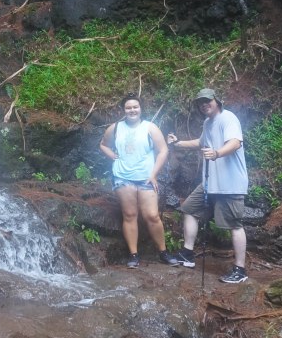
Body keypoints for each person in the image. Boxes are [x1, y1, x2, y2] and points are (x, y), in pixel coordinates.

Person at [166, 87, 250, 283]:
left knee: (234, 225)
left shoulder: (228, 118)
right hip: (210, 182)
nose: (204, 104)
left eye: (207, 100)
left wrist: (217, 153)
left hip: (229, 184)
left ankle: (240, 270)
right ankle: (187, 253)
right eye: (200, 102)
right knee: (189, 209)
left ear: (216, 101)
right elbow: (200, 142)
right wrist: (177, 143)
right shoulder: (208, 123)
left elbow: (236, 142)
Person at [99, 93, 181, 268]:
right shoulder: (115, 128)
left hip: (145, 177)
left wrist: (153, 174)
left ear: (141, 109)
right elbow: (103, 144)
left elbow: (163, 150)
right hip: (123, 177)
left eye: (135, 107)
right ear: (123, 110)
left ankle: (163, 252)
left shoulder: (150, 128)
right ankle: (134, 255)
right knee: (129, 215)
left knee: (152, 215)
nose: (132, 110)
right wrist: (113, 155)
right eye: (128, 107)